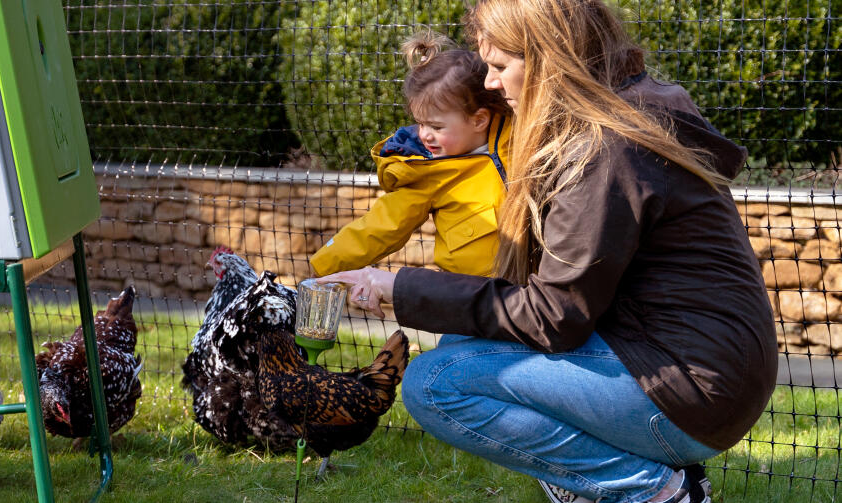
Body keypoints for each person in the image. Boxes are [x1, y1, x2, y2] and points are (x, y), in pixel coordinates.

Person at [318, 1, 777, 502]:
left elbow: (553, 316)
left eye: (499, 66)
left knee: (435, 384)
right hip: (704, 370)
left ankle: (652, 490)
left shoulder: (606, 150)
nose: (490, 83)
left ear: (547, 58)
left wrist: (397, 286)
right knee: (459, 351)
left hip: (692, 390)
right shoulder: (624, 109)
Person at [309, 30, 511, 278]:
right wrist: (322, 266)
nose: (425, 134)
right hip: (471, 295)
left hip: (533, 290)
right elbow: (380, 227)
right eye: (420, 123)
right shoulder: (426, 171)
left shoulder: (517, 136)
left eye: (436, 127)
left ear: (479, 119)